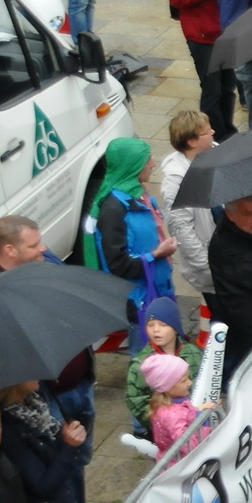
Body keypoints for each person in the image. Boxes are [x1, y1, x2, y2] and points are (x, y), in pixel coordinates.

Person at [89, 138, 176, 353]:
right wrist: (157, 254)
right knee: (146, 364)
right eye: (147, 161)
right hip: (140, 304)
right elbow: (119, 265)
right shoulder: (113, 210)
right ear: (133, 166)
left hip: (157, 293)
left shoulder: (137, 195)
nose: (153, 164)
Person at [165, 0, 236, 140]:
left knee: (228, 86)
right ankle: (216, 137)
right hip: (203, 35)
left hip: (221, 30)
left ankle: (227, 131)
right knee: (212, 90)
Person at [159, 111, 218, 310]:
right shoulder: (176, 180)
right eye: (206, 131)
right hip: (213, 266)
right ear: (192, 141)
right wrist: (208, 267)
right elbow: (182, 230)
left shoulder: (216, 155)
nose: (213, 132)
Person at [124, 296, 203, 435]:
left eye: (163, 324)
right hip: (161, 429)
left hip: (195, 422)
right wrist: (159, 420)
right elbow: (135, 399)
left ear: (176, 328)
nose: (156, 330)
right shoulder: (140, 364)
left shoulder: (193, 353)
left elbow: (201, 383)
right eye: (150, 324)